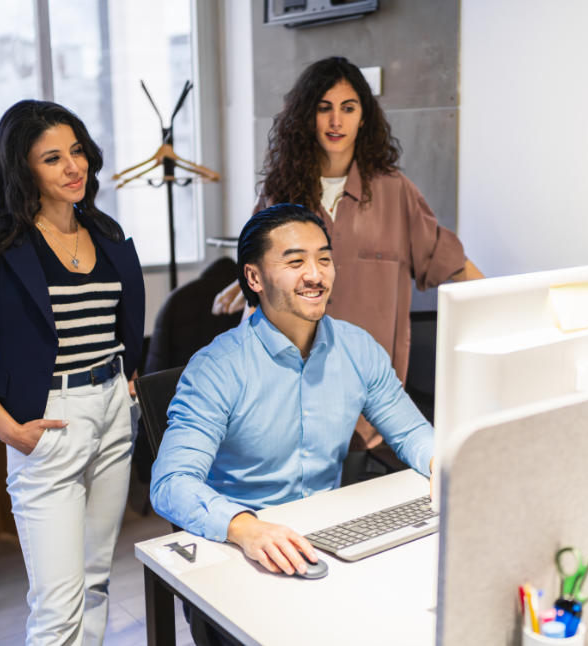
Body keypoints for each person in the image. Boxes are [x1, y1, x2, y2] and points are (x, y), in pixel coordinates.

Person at [0, 100, 145, 645]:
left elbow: (121, 329)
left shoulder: (107, 234)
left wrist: (128, 385)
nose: (74, 167)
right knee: (56, 605)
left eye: (77, 152)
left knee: (97, 583)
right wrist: (9, 430)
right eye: (53, 158)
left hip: (112, 415)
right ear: (23, 169)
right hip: (48, 424)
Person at [213, 56, 482, 462]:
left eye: (348, 108)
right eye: (324, 108)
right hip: (288, 396)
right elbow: (260, 270)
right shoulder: (279, 192)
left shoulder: (396, 193)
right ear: (307, 117)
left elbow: (450, 263)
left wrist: (510, 305)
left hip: (368, 402)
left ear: (363, 118)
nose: (336, 121)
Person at [151, 203, 434, 576]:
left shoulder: (358, 348)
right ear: (254, 278)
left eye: (324, 260)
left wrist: (439, 465)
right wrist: (245, 527)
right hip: (245, 546)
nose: (316, 275)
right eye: (295, 262)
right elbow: (172, 482)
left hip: (330, 538)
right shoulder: (217, 367)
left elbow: (411, 431)